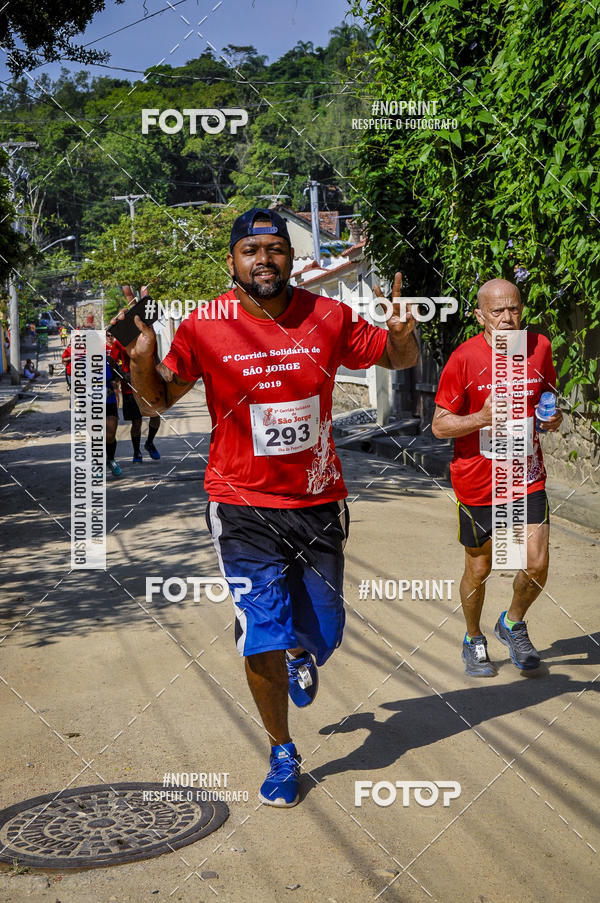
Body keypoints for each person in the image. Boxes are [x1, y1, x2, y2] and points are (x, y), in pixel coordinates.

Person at [116, 207, 419, 808]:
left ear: (291, 257)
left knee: (323, 631)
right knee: (261, 632)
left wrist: (403, 332)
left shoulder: (328, 315)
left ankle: (301, 650)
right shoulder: (205, 325)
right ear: (232, 262)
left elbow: (399, 359)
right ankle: (282, 749)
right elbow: (155, 405)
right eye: (250, 250)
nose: (263, 259)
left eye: (274, 248)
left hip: (317, 499)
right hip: (239, 504)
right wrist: (143, 359)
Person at [432, 278, 563, 677]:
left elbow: (547, 398)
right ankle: (473, 637)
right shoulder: (464, 358)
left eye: (514, 309)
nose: (507, 318)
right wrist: (480, 418)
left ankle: (512, 622)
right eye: (497, 311)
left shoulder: (539, 347)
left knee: (536, 562)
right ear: (480, 316)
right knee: (480, 568)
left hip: (527, 475)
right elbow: (439, 425)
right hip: (477, 482)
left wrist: (552, 418)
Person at [108, 333, 160, 462]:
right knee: (137, 422)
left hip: (149, 385)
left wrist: (160, 373)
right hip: (130, 388)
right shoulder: (120, 342)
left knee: (156, 416)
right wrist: (122, 374)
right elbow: (112, 361)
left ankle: (149, 443)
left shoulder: (149, 337)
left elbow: (156, 358)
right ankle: (137, 452)